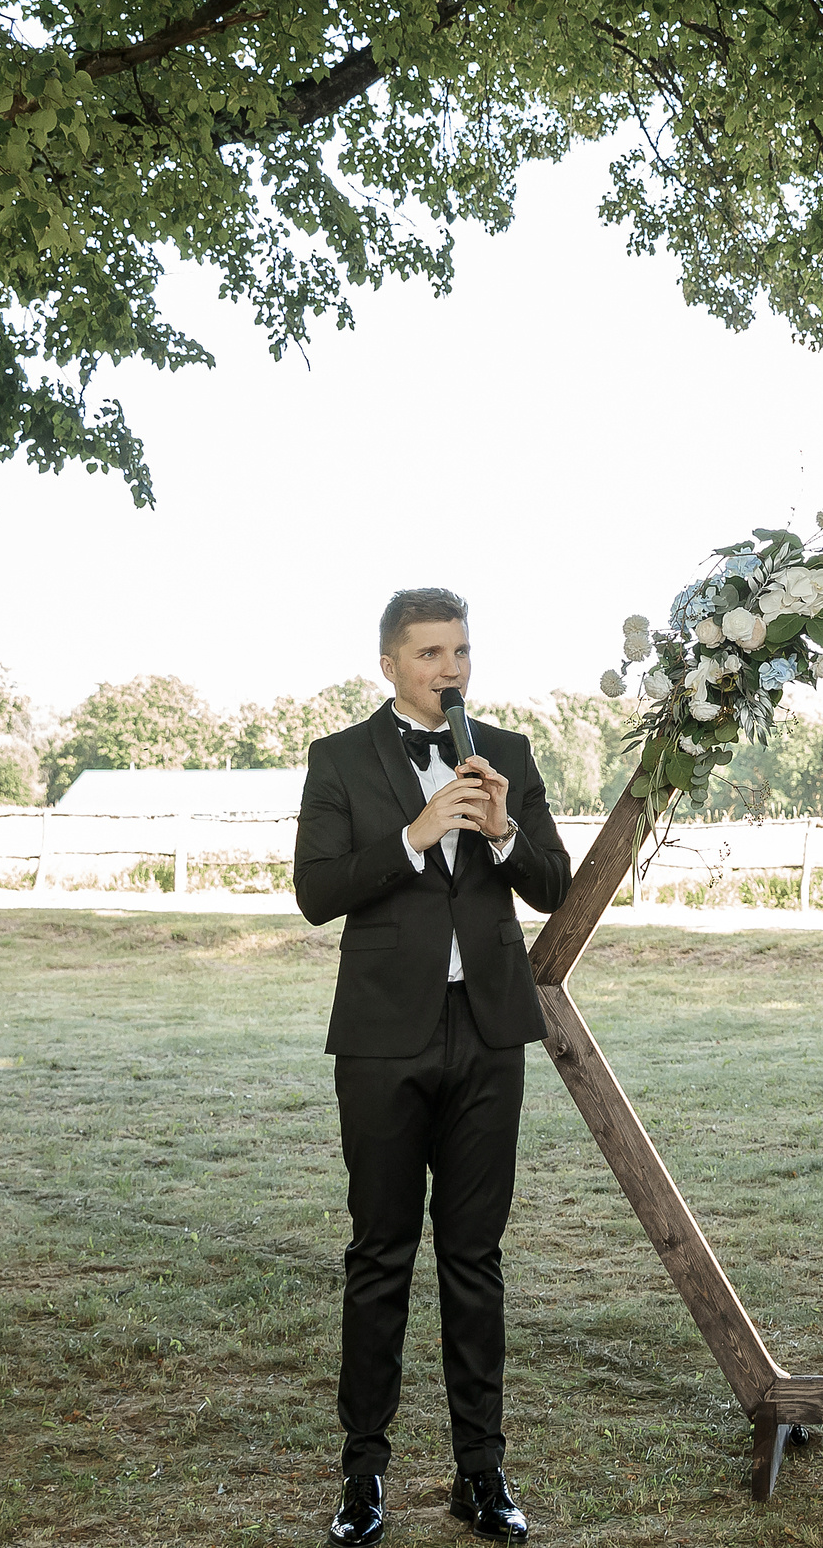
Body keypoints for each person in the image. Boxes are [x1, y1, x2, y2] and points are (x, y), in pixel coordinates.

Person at [294, 589, 572, 1545]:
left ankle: (480, 1472)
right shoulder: (338, 759)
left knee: (475, 1260)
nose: (450, 668)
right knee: (379, 1257)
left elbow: (554, 883)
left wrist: (500, 830)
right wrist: (414, 837)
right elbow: (316, 891)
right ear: (389, 664)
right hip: (381, 1039)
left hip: (489, 1033)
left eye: (459, 650)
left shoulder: (512, 752)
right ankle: (363, 1477)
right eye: (429, 653)